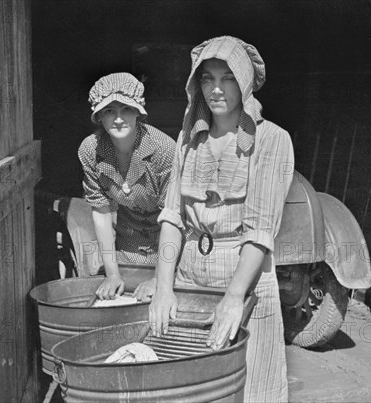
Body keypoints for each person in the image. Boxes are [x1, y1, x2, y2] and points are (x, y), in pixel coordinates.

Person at [148, 36, 294, 401]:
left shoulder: (271, 140)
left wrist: (233, 297)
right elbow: (172, 217)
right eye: (207, 78)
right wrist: (164, 286)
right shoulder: (187, 139)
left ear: (244, 81)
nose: (216, 89)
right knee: (189, 384)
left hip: (245, 281)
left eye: (227, 77)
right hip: (189, 278)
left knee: (247, 384)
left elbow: (260, 231)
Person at [78, 72, 176, 301]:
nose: (118, 118)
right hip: (129, 239)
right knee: (121, 299)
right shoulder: (90, 150)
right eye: (110, 111)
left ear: (138, 113)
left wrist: (160, 280)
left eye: (126, 109)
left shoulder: (163, 149)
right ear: (99, 116)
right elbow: (101, 212)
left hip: (171, 240)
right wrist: (112, 274)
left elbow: (174, 216)